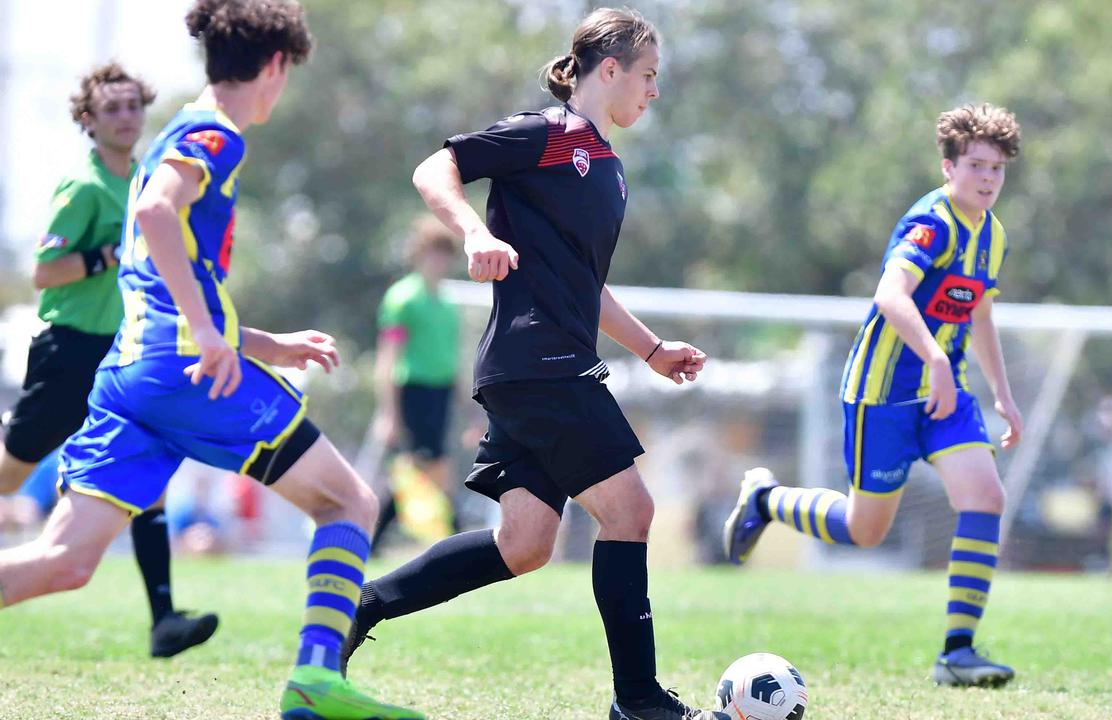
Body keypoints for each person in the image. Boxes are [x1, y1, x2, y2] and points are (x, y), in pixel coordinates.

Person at [0, 3, 423, 719]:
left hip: (132, 374)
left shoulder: (170, 132)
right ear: (277, 66)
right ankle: (315, 681)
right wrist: (208, 333)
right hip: (180, 370)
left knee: (64, 562)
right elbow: (157, 218)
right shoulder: (214, 134)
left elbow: (168, 274)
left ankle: (316, 685)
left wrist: (261, 342)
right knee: (349, 501)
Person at [341, 9, 720, 720]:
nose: (654, 92)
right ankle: (637, 700)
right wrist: (475, 231)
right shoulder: (547, 136)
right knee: (631, 511)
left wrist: (651, 349)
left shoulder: (609, 169)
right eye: (648, 76)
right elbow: (434, 169)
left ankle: (359, 608)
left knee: (525, 545)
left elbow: (587, 284)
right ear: (608, 71)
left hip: (541, 366)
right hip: (538, 361)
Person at [724, 104, 1025, 688]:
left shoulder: (993, 235)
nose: (988, 178)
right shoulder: (932, 221)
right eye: (977, 165)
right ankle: (765, 499)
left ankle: (957, 653)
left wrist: (1004, 396)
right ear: (948, 166)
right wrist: (934, 357)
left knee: (986, 496)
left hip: (945, 396)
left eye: (998, 169)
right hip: (882, 394)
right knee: (866, 530)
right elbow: (890, 293)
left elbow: (981, 314)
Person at [0, 61, 218, 658]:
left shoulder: (150, 179)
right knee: (11, 473)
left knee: (148, 478)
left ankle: (165, 620)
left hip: (124, 355)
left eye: (132, 106)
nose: (126, 117)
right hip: (69, 352)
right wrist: (107, 256)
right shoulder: (84, 186)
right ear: (89, 121)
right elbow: (45, 273)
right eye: (111, 109)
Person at [370, 217, 462, 550]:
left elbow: (451, 357)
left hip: (440, 394)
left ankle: (373, 542)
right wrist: (389, 414)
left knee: (426, 468)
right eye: (432, 252)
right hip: (413, 393)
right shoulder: (402, 298)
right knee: (424, 468)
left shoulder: (447, 303)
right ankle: (459, 539)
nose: (439, 261)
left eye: (445, 253)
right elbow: (387, 359)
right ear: (419, 253)